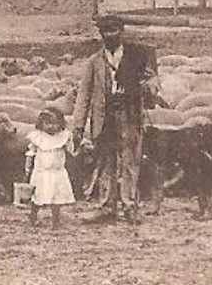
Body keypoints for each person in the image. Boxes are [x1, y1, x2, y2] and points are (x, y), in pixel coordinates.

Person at [71, 14, 162, 224]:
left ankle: (130, 205)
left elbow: (153, 82)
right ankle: (106, 206)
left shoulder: (138, 56)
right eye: (106, 31)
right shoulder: (94, 62)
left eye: (114, 30)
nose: (110, 35)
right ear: (101, 34)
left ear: (122, 31)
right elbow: (84, 95)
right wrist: (78, 126)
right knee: (105, 162)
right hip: (104, 118)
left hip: (129, 116)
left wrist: (138, 87)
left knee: (130, 161)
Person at [24, 109, 76, 228]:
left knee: (56, 198)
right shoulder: (38, 137)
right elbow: (31, 153)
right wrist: (27, 169)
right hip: (41, 173)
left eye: (54, 123)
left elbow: (71, 151)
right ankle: (33, 216)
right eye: (47, 123)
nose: (51, 127)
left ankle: (55, 221)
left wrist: (75, 145)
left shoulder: (63, 137)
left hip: (57, 172)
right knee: (37, 197)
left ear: (61, 124)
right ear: (41, 124)